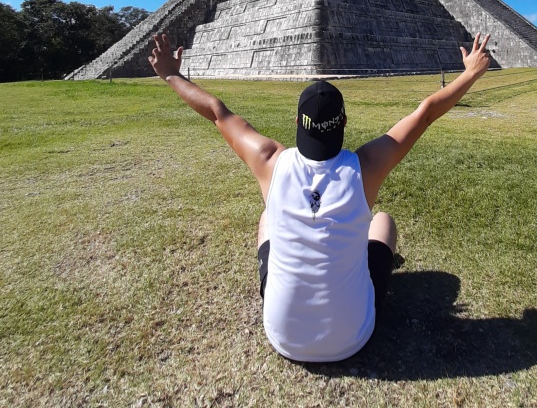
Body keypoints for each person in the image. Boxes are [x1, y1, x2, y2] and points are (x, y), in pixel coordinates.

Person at [148, 31, 492, 362]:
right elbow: (426, 112)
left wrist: (170, 75)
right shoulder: (365, 167)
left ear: (298, 121)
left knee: (268, 217)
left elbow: (216, 111)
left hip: (282, 334)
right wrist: (471, 73)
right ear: (344, 123)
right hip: (353, 336)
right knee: (382, 221)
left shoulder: (269, 161)